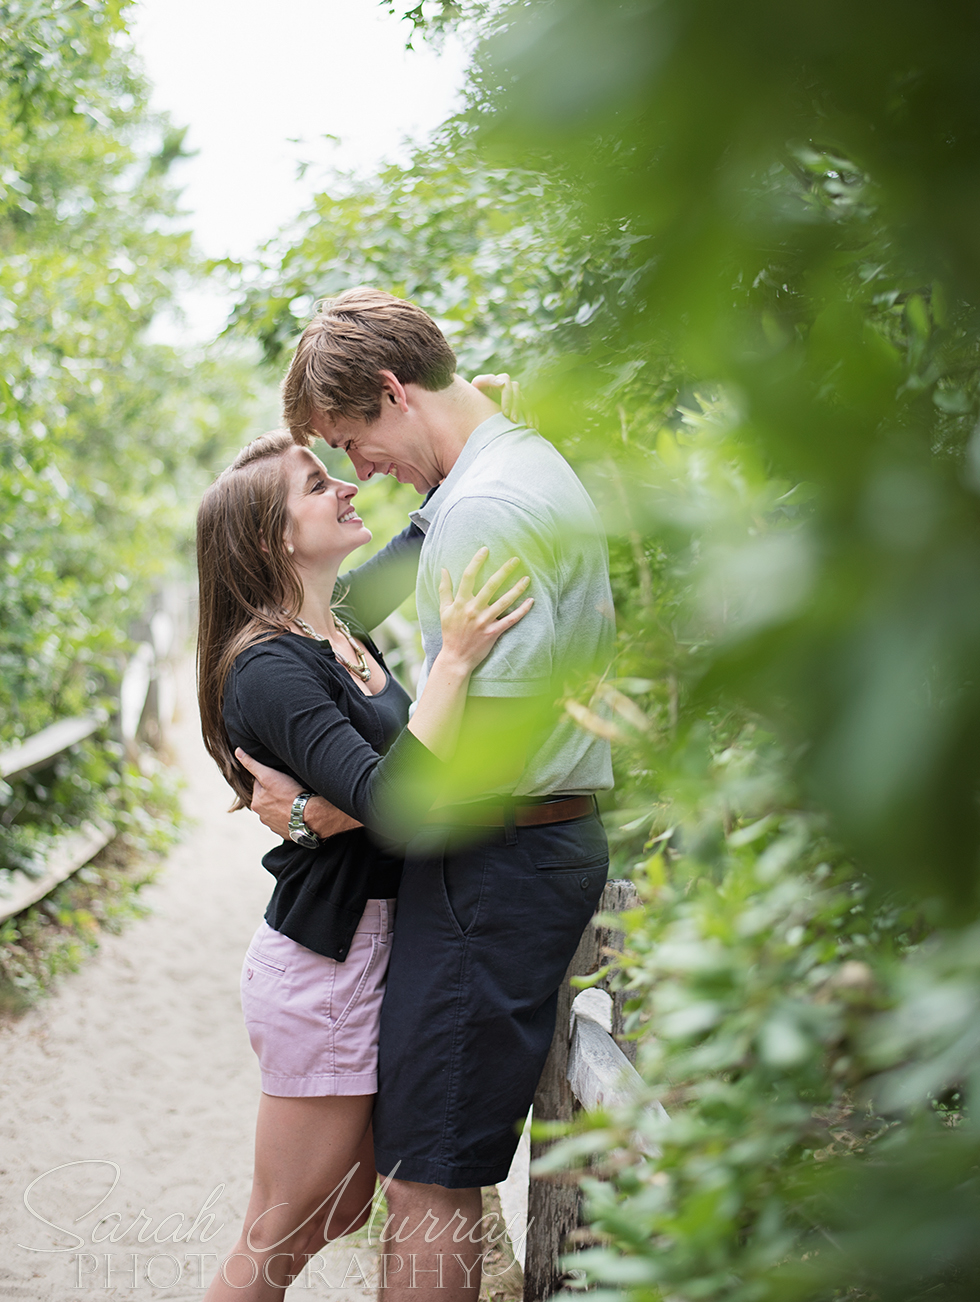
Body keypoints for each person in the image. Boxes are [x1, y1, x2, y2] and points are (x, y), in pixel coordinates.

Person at [239, 289, 616, 1302]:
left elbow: (449, 777)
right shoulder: (502, 472)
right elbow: (342, 608)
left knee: (428, 1183)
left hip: (494, 863)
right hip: (512, 856)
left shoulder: (484, 508)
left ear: (395, 392)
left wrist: (309, 812)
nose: (359, 473)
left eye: (352, 441)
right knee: (423, 1170)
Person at [195, 428, 533, 1300]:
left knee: (339, 1211)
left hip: (382, 947)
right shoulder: (269, 668)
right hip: (330, 966)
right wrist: (454, 661)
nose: (347, 485)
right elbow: (394, 801)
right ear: (274, 538)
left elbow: (428, 531)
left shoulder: (337, 627)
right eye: (317, 483)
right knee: (277, 1229)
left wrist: (484, 427)